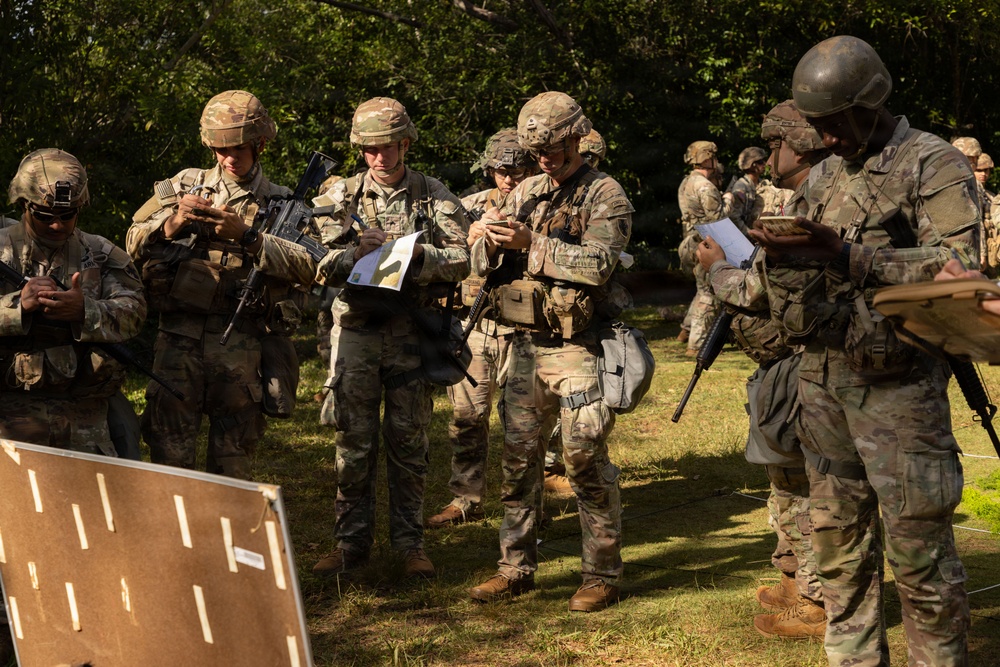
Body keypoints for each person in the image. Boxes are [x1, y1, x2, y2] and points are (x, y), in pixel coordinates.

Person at [750, 35, 977, 666]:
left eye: (834, 123)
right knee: (838, 550)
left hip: (901, 390)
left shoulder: (931, 163)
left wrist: (847, 254)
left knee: (919, 555)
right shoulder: (823, 175)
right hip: (823, 383)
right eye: (817, 127)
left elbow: (962, 269)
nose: (826, 138)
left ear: (870, 102)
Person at [466, 91, 632, 612]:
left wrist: (529, 245)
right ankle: (514, 567)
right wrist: (486, 242)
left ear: (576, 138)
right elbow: (485, 262)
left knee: (583, 458)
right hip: (525, 347)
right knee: (518, 461)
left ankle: (601, 572)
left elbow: (600, 264)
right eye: (537, 149)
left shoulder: (605, 194)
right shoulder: (528, 190)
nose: (545, 158)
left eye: (555, 147)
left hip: (578, 348)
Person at [309, 97, 470, 578]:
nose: (379, 157)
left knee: (409, 444)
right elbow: (315, 262)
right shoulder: (337, 195)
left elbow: (465, 256)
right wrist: (354, 252)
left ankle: (410, 544)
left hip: (409, 333)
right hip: (357, 332)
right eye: (370, 149)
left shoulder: (432, 194)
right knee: (352, 443)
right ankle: (351, 544)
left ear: (405, 143)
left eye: (388, 147)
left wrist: (418, 258)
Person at [127, 90, 315, 479]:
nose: (229, 157)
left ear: (260, 143)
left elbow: (312, 265)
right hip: (177, 341)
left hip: (241, 347)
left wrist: (249, 237)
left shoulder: (283, 203)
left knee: (232, 466)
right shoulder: (184, 186)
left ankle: (225, 540)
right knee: (169, 457)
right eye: (220, 148)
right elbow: (131, 242)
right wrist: (173, 223)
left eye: (239, 148)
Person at [696, 100, 830, 640]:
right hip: (784, 362)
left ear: (799, 145)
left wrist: (719, 268)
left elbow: (762, 291)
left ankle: (816, 600)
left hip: (804, 363)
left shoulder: (820, 199)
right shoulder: (811, 194)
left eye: (775, 143)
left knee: (806, 485)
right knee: (787, 482)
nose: (768, 154)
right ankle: (797, 583)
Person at [0, 148, 146, 454]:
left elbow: (134, 312)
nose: (58, 225)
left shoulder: (102, 254)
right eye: (45, 215)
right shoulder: (3, 251)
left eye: (68, 215)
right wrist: (17, 307)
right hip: (8, 416)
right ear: (25, 205)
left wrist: (86, 311)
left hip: (85, 419)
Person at [426, 128, 536, 528]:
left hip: (526, 330)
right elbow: (446, 256)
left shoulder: (541, 207)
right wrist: (470, 239)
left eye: (518, 169)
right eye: (501, 170)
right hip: (476, 324)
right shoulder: (468, 206)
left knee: (523, 425)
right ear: (489, 170)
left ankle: (526, 505)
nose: (509, 178)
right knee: (467, 417)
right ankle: (464, 498)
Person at [676, 141, 740, 353]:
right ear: (707, 158)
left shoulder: (686, 182)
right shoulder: (705, 186)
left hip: (692, 242)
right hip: (706, 244)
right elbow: (718, 218)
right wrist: (729, 199)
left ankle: (686, 333)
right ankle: (697, 344)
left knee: (702, 289)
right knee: (709, 294)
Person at [726, 146, 768, 231]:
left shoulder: (764, 184)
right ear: (752, 165)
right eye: (760, 162)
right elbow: (734, 217)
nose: (765, 164)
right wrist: (750, 234)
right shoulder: (741, 186)